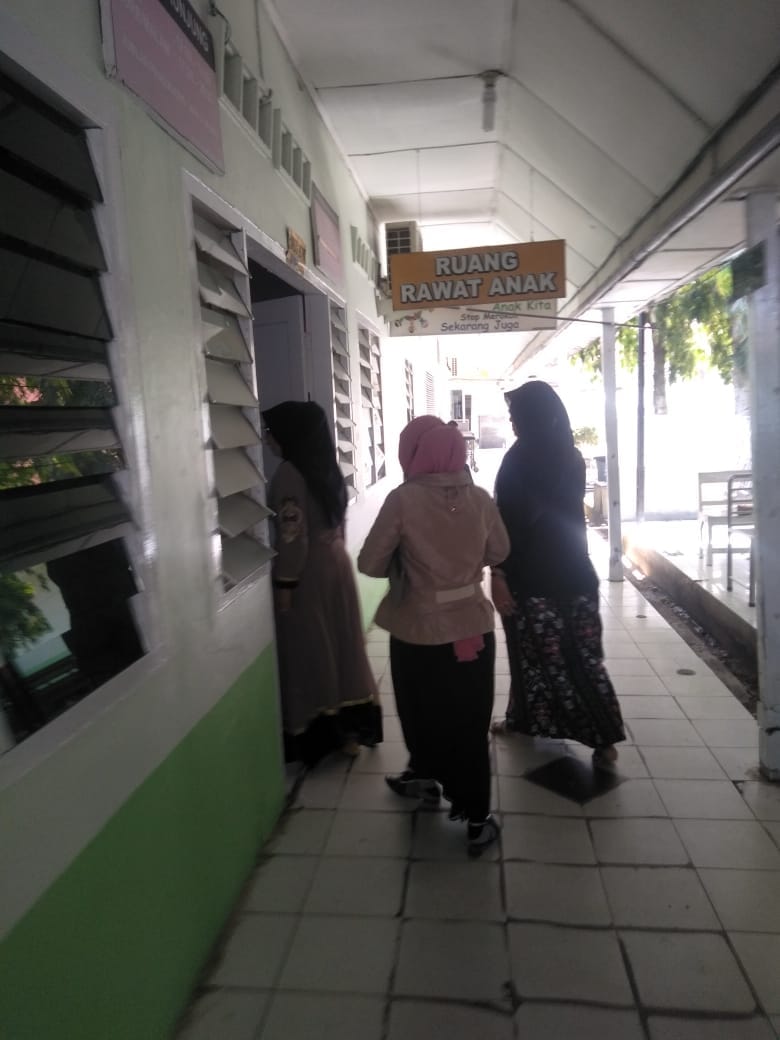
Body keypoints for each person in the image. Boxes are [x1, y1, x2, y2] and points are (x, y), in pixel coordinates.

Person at [358, 416, 510, 856]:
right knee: (468, 721)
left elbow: (369, 563)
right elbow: (500, 550)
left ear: (413, 453)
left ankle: (424, 776)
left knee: (420, 711)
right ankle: (476, 818)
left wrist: (406, 563)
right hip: (471, 631)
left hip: (417, 630)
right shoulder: (480, 499)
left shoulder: (402, 500)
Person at [490, 381, 625, 769]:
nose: (513, 421)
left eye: (517, 414)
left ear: (536, 416)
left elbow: (509, 526)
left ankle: (588, 734)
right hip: (576, 575)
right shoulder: (572, 458)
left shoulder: (519, 461)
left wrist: (498, 574)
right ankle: (598, 740)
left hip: (531, 580)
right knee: (580, 657)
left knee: (536, 657)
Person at [263, 400, 382, 766]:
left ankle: (323, 734)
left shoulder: (289, 474)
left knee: (312, 651)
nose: (267, 438)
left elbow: (292, 536)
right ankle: (350, 732)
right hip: (336, 564)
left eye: (271, 431)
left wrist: (285, 585)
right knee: (344, 646)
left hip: (308, 573)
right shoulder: (328, 469)